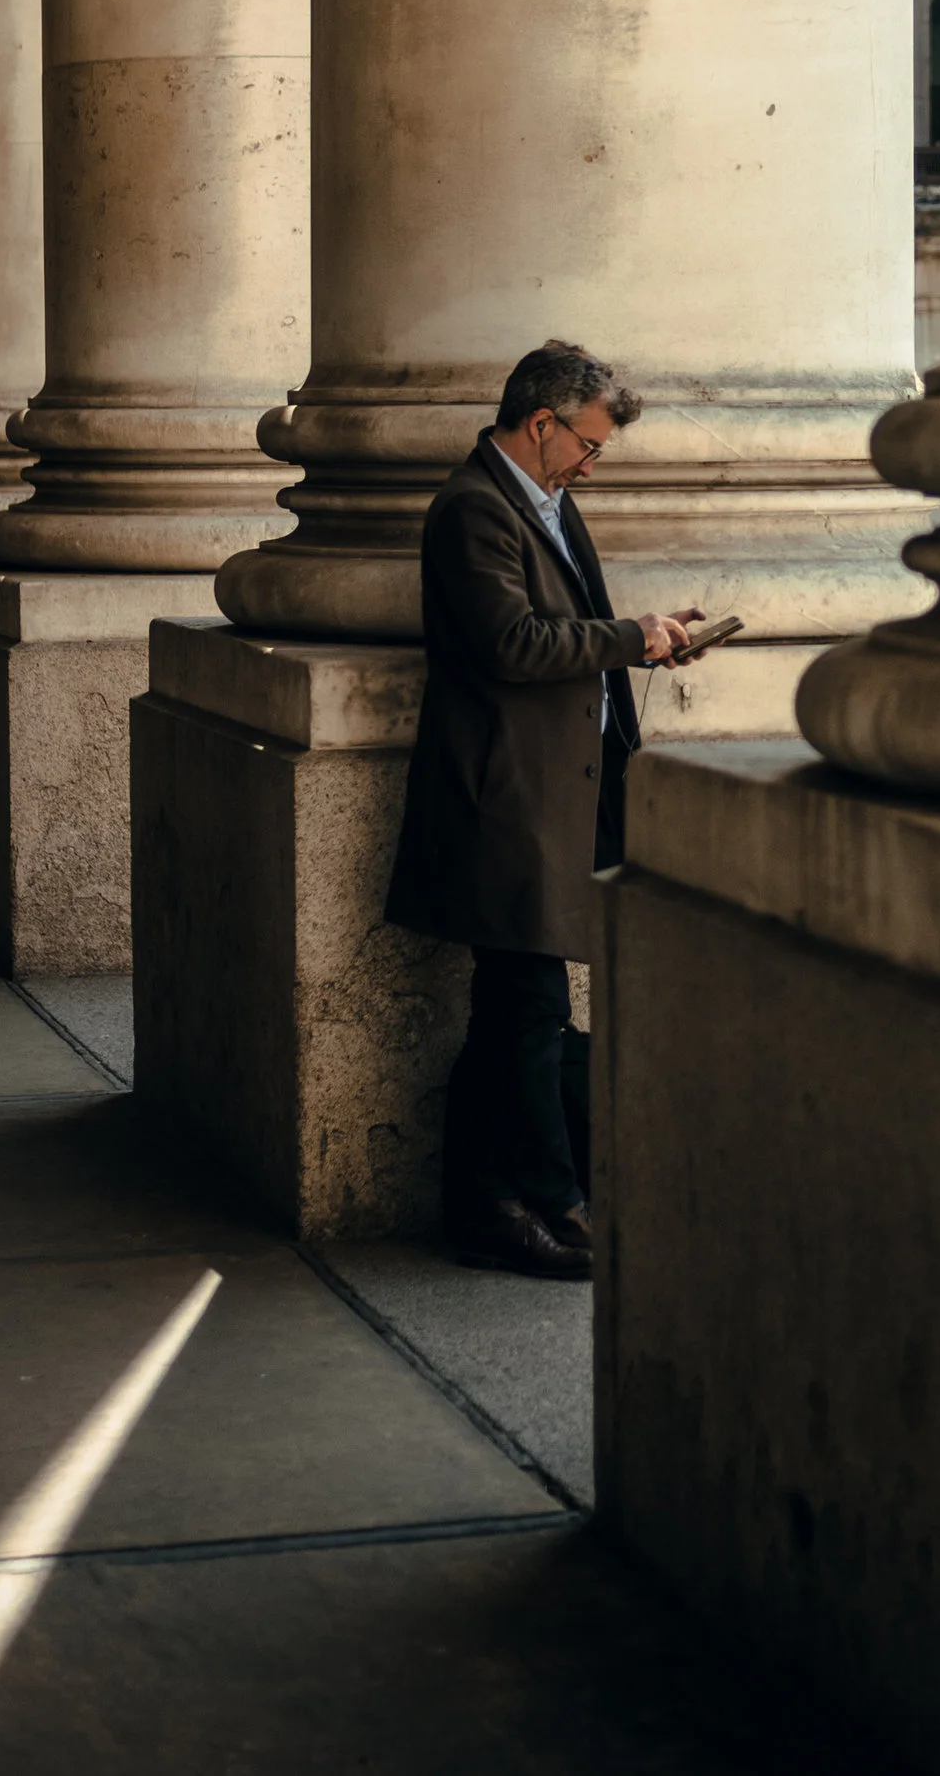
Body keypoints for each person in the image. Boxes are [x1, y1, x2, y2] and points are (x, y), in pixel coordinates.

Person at [385, 339, 709, 1279]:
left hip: (556, 793)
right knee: (526, 1007)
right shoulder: (474, 509)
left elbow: (567, 631)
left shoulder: (544, 502)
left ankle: (495, 1205)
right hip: (507, 801)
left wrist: (649, 639)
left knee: (515, 1010)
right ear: (541, 423)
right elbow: (514, 642)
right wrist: (629, 638)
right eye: (588, 444)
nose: (592, 463)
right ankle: (545, 1206)